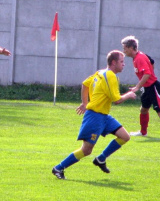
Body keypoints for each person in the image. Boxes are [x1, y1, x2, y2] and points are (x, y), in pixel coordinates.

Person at [52, 50, 136, 179]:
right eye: (121, 62)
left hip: (104, 116)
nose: (124, 64)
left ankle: (101, 159)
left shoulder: (100, 73)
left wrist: (85, 103)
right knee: (86, 150)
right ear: (113, 62)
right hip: (95, 117)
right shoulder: (110, 75)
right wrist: (129, 95)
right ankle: (59, 167)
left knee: (125, 136)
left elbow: (85, 84)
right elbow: (117, 100)